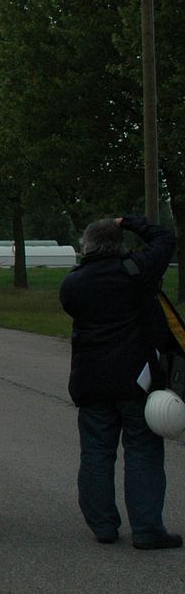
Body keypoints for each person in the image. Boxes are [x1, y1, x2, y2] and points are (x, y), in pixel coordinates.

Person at [60, 216, 180, 549]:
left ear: (86, 245)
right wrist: (128, 222)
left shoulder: (73, 283)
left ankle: (103, 525)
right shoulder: (137, 272)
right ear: (119, 243)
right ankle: (146, 529)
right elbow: (165, 238)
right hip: (137, 380)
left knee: (96, 452)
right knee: (142, 452)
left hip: (90, 381)